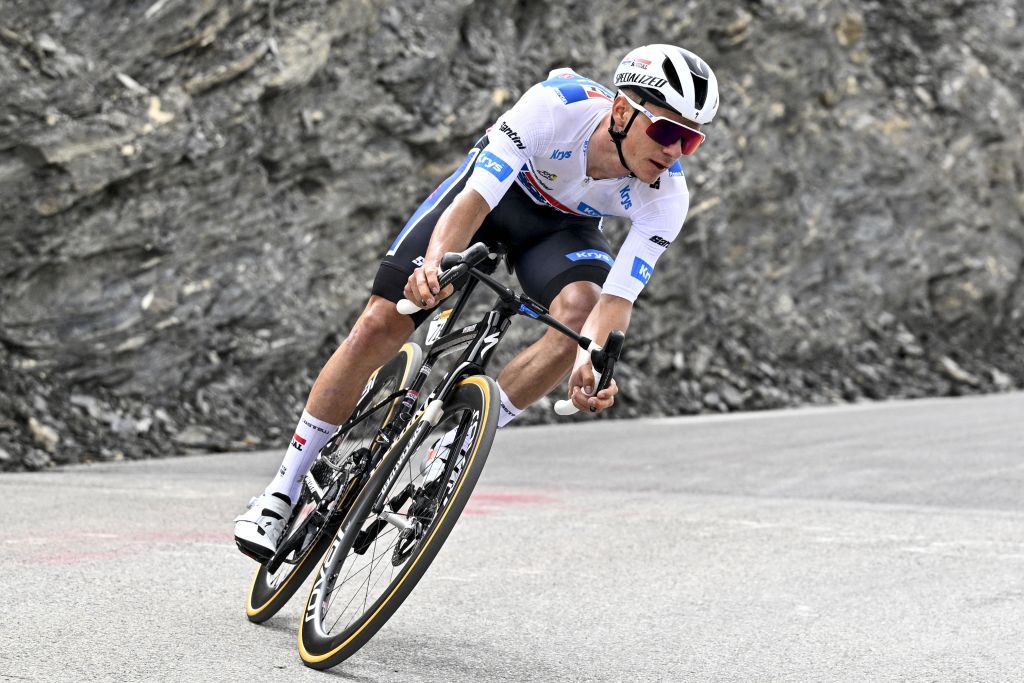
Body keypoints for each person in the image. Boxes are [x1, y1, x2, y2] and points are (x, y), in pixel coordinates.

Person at [234, 44, 720, 560]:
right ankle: (281, 492)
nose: (675, 152)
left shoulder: (666, 196)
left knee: (578, 318)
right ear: (622, 112)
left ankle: (455, 447)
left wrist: (590, 362)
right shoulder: (555, 106)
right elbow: (474, 199)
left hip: (562, 229)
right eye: (667, 131)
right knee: (380, 322)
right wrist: (434, 265)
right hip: (495, 196)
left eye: (690, 141)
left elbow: (617, 301)